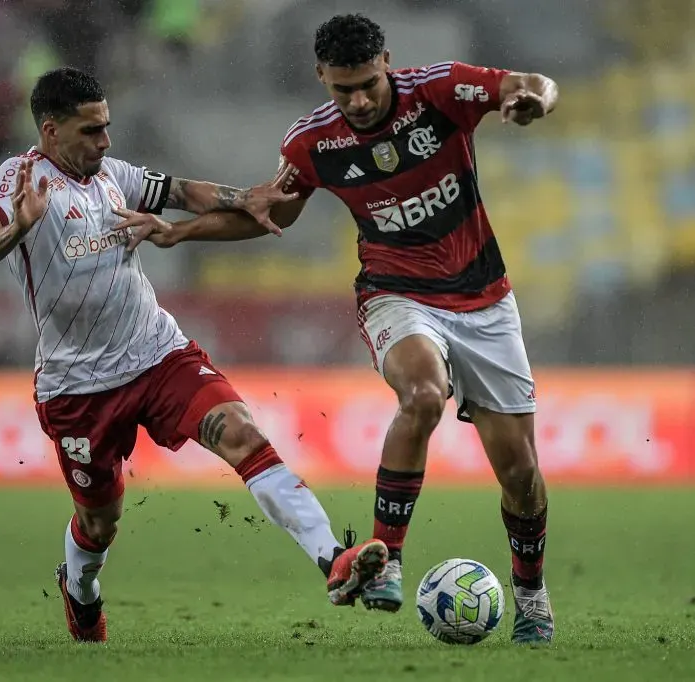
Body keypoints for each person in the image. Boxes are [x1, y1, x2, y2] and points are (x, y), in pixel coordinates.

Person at [113, 14, 559, 644]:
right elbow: (271, 215)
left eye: (369, 84)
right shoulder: (313, 142)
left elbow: (531, 81)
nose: (358, 100)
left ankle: (532, 596)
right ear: (322, 77)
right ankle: (387, 561)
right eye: (342, 89)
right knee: (423, 394)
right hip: (396, 296)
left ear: (388, 62)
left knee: (518, 472)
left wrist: (532, 97)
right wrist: (182, 229)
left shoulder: (438, 91)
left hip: (485, 301)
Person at [0, 67, 388, 644]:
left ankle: (333, 558)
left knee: (241, 433)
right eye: (91, 131)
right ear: (51, 129)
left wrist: (248, 197)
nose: (105, 141)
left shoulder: (113, 175)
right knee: (100, 519)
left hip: (157, 353)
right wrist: (17, 226)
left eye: (107, 127)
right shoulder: (18, 181)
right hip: (77, 387)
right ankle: (79, 591)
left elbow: (185, 192)